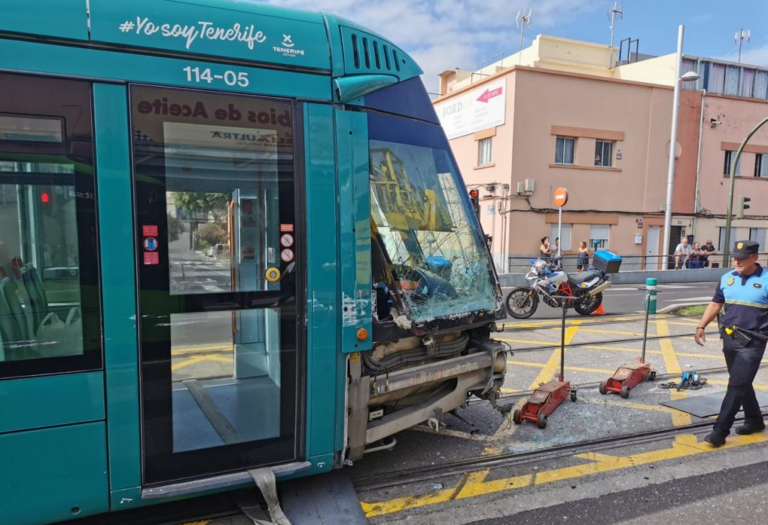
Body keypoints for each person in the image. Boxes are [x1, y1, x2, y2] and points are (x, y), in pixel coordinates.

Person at [694, 240, 768, 447]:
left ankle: (720, 431)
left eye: (741, 258)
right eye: (734, 257)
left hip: (753, 341)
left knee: (736, 384)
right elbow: (715, 303)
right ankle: (754, 420)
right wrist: (701, 326)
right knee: (741, 382)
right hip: (729, 337)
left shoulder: (766, 279)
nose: (736, 261)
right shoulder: (727, 278)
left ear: (755, 257)